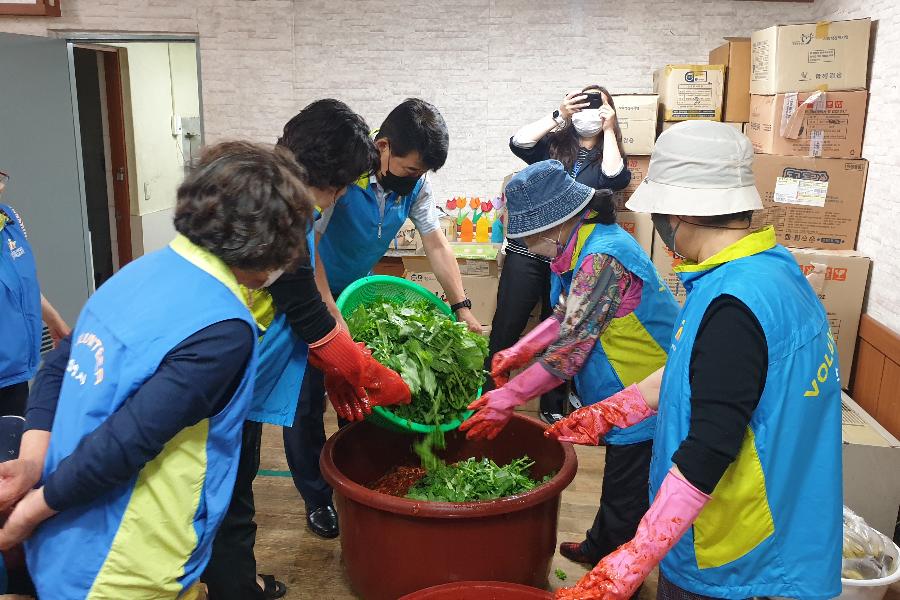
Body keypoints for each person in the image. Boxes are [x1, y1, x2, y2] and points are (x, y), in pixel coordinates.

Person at [0, 142, 316, 599]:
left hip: (60, 541)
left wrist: (32, 462)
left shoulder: (141, 271)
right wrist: (28, 513)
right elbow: (124, 442)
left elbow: (60, 363)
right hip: (124, 562)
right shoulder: (225, 327)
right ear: (267, 246)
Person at [548, 121, 842, 599]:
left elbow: (708, 450)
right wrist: (608, 413)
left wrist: (632, 559)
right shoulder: (772, 270)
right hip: (787, 518)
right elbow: (700, 372)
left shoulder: (735, 305)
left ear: (680, 214)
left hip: (734, 548)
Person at [203, 99, 410, 600]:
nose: (335, 198)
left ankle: (231, 579)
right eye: (338, 187)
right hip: (221, 381)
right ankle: (234, 589)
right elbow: (308, 314)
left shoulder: (274, 193)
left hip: (238, 377)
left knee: (233, 484)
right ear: (324, 175)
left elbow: (315, 291)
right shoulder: (276, 215)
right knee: (227, 494)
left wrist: (341, 352)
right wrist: (366, 372)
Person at [460, 159, 679, 573]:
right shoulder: (581, 247)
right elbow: (564, 315)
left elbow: (568, 354)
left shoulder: (602, 258)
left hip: (646, 390)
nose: (528, 247)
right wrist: (518, 351)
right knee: (622, 480)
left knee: (627, 485)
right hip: (621, 390)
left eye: (529, 238)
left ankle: (615, 571)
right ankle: (602, 544)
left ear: (555, 226)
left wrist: (508, 397)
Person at [284, 98, 479, 539]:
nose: (416, 179)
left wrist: (461, 306)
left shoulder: (415, 186)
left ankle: (358, 477)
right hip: (309, 293)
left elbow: (436, 244)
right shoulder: (341, 174)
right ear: (384, 146)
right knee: (306, 401)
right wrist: (332, 321)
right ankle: (318, 498)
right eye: (411, 168)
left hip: (357, 294)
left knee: (361, 395)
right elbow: (306, 250)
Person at [491, 85, 631, 425]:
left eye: (599, 105)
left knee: (561, 324)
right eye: (582, 103)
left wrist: (609, 130)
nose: (589, 112)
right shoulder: (553, 147)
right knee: (507, 324)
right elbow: (518, 142)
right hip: (528, 253)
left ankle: (551, 403)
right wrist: (560, 115)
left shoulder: (607, 155)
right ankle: (490, 390)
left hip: (570, 255)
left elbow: (615, 179)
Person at [0, 170, 71, 416]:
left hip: (14, 372)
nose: (1, 188)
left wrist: (54, 320)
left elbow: (23, 285)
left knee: (14, 448)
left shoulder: (10, 218)